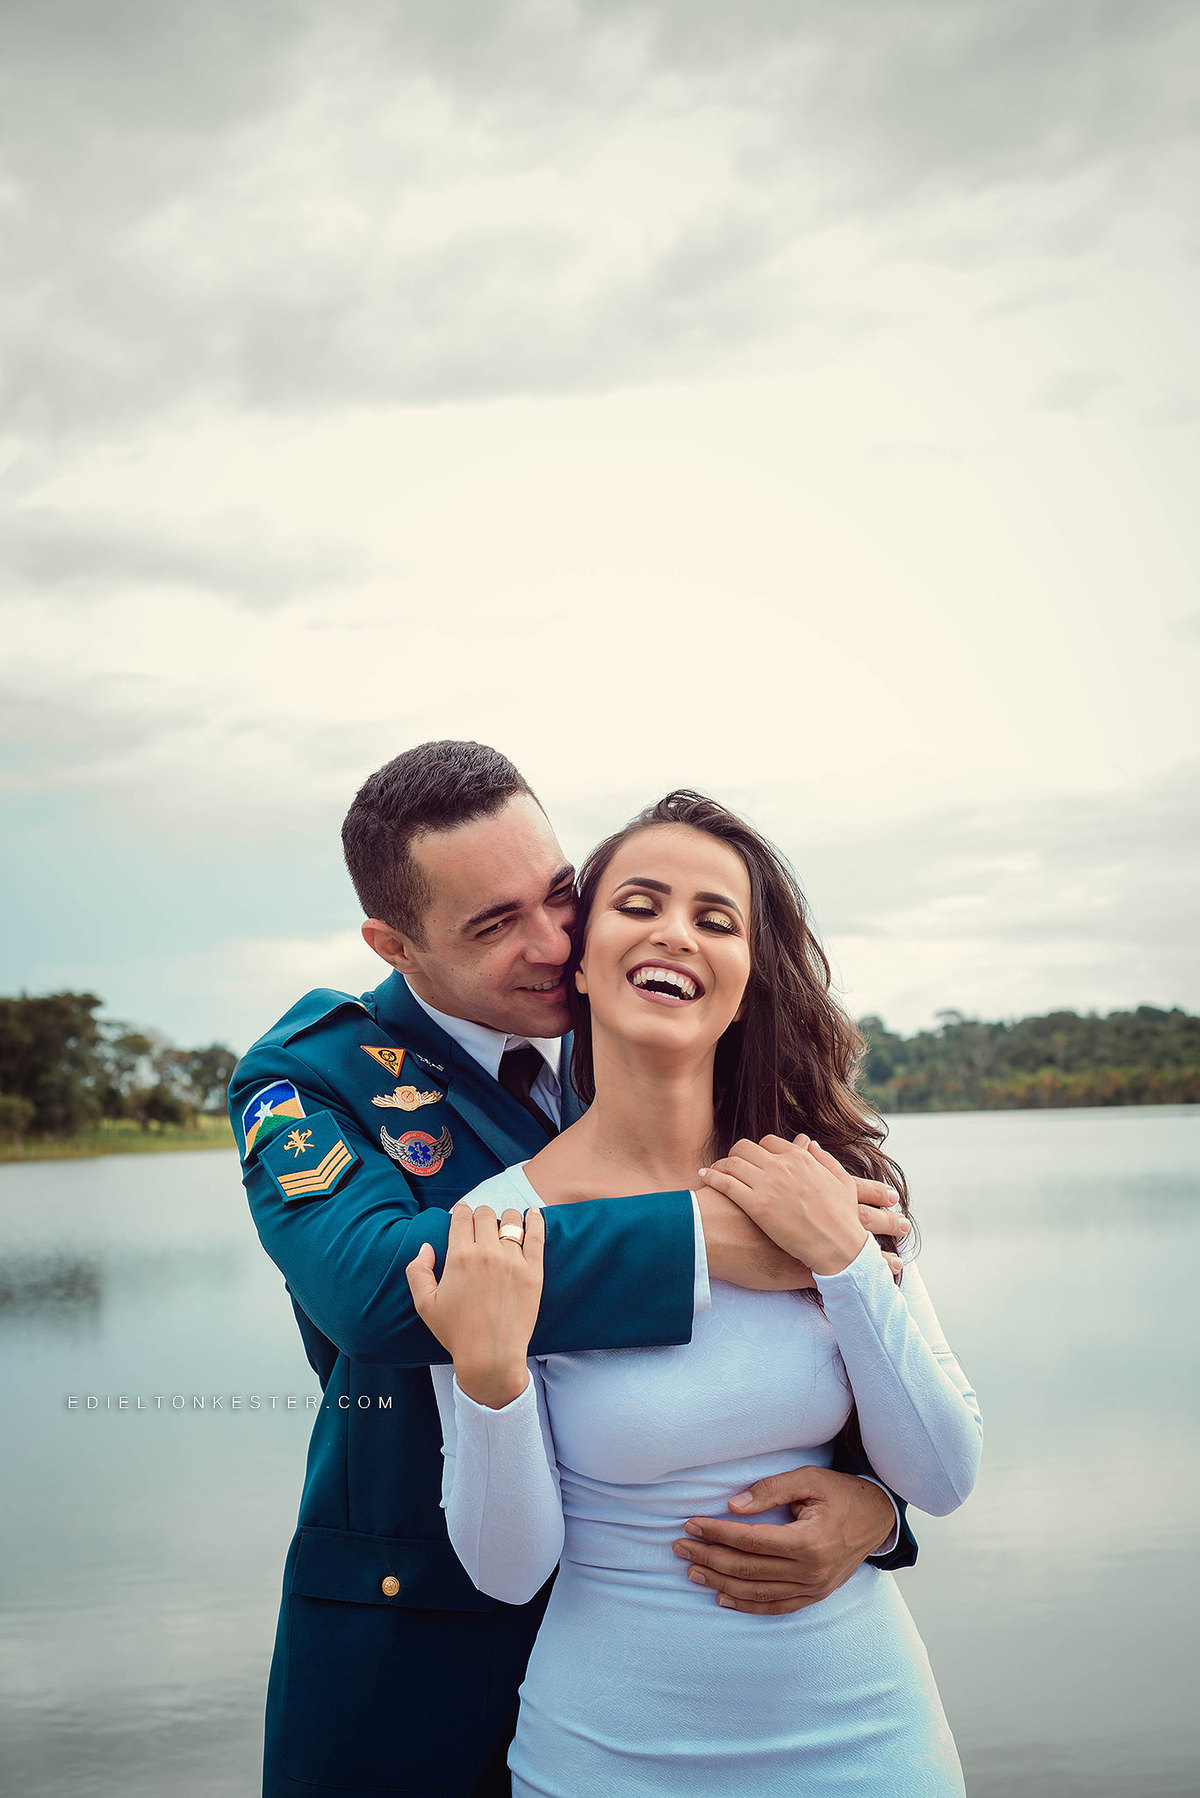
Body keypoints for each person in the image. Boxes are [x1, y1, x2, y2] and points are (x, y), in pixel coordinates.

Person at [230, 742, 919, 1798]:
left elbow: (811, 1348)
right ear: (394, 943)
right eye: (493, 925)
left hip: (665, 1642)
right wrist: (694, 1236)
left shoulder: (658, 1022)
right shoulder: (312, 1077)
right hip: (419, 1640)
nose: (553, 943)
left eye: (559, 896)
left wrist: (877, 1504)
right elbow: (373, 1286)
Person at [409, 789, 982, 1797]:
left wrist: (844, 1265)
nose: (677, 932)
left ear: (747, 978)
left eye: (717, 919)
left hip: (871, 1749)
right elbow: (508, 1569)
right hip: (605, 1759)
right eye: (640, 903)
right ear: (579, 957)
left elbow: (941, 1473)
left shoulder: (830, 1185)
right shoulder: (494, 1226)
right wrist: (490, 1378)